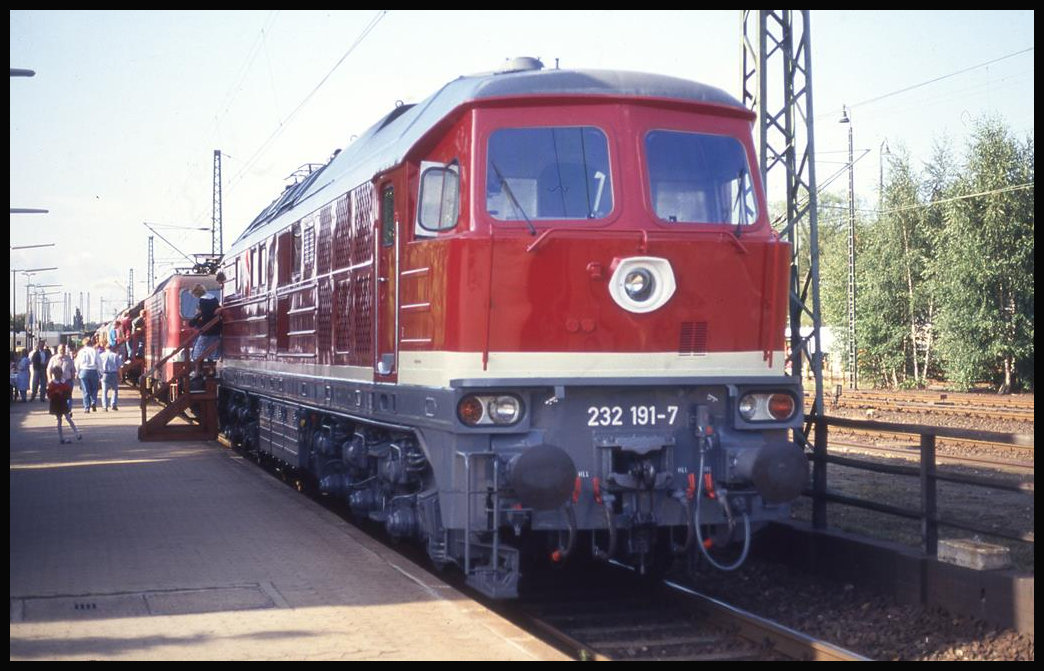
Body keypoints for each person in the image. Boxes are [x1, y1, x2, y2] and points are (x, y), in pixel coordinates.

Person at [189, 283, 222, 377]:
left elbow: (205, 315)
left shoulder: (203, 301)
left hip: (207, 330)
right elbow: (215, 312)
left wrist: (197, 319)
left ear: (196, 293)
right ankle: (212, 370)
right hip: (217, 329)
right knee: (212, 351)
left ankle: (198, 372)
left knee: (198, 351)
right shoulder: (214, 298)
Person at [46, 365, 82, 444]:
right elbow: (49, 394)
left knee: (68, 418)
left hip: (63, 402)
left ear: (61, 374)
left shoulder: (64, 382)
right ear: (53, 374)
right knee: (59, 420)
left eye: (58, 373)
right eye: (55, 373)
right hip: (56, 403)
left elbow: (68, 392)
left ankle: (77, 433)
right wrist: (55, 392)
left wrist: (65, 394)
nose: (57, 375)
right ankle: (61, 438)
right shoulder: (52, 383)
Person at [75, 336, 101, 412]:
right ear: (91, 343)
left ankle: (86, 407)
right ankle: (93, 402)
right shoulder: (94, 351)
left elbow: (77, 363)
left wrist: (77, 372)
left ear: (84, 344)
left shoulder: (81, 352)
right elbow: (99, 362)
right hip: (93, 371)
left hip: (83, 371)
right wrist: (101, 372)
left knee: (85, 390)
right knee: (94, 389)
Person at [99, 344, 123, 411]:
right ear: (112, 348)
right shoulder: (115, 355)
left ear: (105, 348)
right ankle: (113, 405)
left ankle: (105, 407)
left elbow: (99, 367)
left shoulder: (101, 356)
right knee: (115, 390)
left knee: (104, 391)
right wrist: (121, 376)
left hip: (104, 374)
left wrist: (99, 375)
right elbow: (119, 367)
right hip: (113, 374)